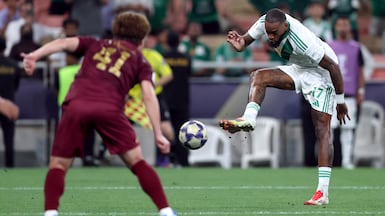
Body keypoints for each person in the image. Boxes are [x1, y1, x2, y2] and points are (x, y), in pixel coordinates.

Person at [22, 12, 177, 216]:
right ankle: (165, 211)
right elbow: (149, 95)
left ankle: (50, 213)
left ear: (116, 32)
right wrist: (158, 132)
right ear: (143, 38)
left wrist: (35, 55)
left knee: (59, 164)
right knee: (137, 161)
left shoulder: (95, 44)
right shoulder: (141, 61)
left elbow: (63, 43)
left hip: (76, 105)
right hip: (109, 109)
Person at [218, 8, 350, 205]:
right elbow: (245, 40)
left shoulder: (303, 42)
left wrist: (340, 101)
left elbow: (333, 67)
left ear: (286, 26)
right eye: (268, 32)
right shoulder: (266, 22)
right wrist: (240, 44)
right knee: (258, 76)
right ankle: (249, 119)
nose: (271, 37)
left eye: (275, 33)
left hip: (322, 75)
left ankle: (322, 193)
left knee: (322, 130)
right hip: (300, 68)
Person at [329, 15, 365, 169]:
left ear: (350, 27)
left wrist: (361, 90)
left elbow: (360, 70)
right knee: (328, 129)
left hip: (349, 94)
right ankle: (327, 161)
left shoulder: (357, 48)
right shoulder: (328, 46)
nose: (343, 27)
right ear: (336, 27)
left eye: (346, 24)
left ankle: (346, 161)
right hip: (330, 94)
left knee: (348, 129)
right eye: (340, 24)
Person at [163, 30, 192, 167]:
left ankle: (167, 160)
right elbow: (190, 73)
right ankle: (184, 162)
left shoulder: (163, 57)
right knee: (183, 131)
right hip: (183, 100)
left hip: (166, 100)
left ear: (167, 41)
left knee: (166, 131)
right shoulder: (186, 58)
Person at [0, 36, 20, 168]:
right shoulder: (13, 64)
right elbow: (16, 85)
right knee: (9, 138)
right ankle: (10, 165)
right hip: (10, 105)